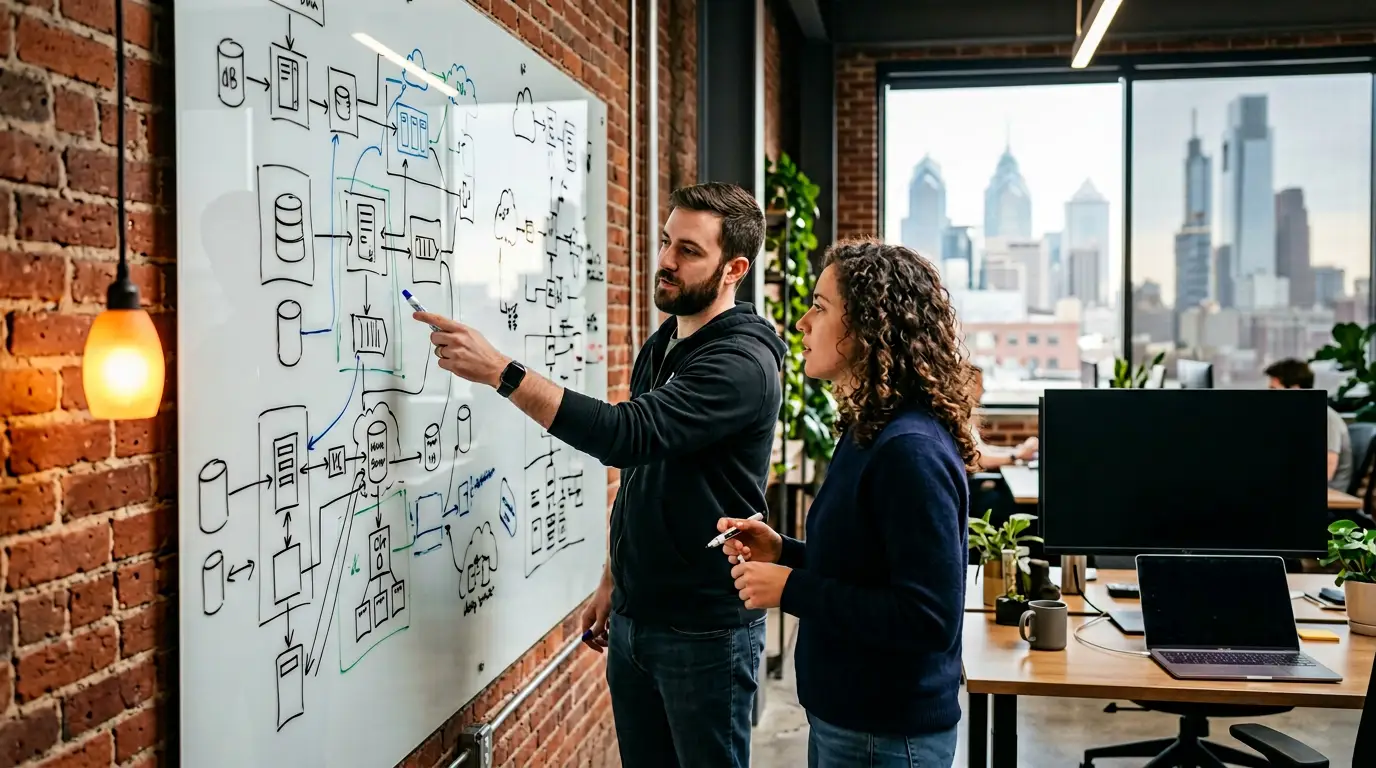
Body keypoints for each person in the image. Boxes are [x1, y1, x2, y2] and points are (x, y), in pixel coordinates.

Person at [415, 181, 786, 768]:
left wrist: (501, 372)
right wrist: (614, 575)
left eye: (689, 250)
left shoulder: (741, 364)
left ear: (734, 269)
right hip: (638, 618)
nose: (666, 260)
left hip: (703, 633)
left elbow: (623, 436)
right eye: (666, 241)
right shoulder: (667, 342)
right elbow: (642, 472)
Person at [716, 239, 975, 768]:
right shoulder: (868, 432)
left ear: (866, 328)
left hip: (885, 736)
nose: (802, 323)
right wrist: (784, 552)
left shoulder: (910, 451)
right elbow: (866, 569)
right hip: (852, 724)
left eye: (820, 307)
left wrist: (791, 588)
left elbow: (929, 618)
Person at [1265, 358, 1353, 491]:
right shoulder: (1298, 418)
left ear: (1294, 389)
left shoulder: (1323, 416)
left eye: (1274, 390)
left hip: (1326, 494)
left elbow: (1328, 466)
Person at [969, 366, 1037, 469]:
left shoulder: (969, 415)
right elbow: (980, 460)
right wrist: (1017, 455)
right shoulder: (961, 420)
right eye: (979, 384)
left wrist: (1017, 450)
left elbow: (985, 450)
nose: (982, 390)